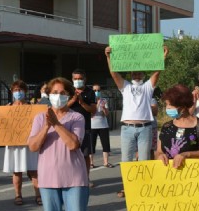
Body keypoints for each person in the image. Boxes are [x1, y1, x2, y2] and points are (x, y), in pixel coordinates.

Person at [28, 77, 90, 211]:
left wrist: (57, 124)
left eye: (62, 93)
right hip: (47, 178)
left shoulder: (76, 118)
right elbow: (33, 146)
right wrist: (47, 126)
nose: (58, 96)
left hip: (74, 177)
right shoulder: (39, 118)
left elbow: (73, 144)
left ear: (70, 95)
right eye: (54, 92)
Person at [104, 45, 169, 197]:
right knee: (126, 160)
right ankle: (127, 187)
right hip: (127, 128)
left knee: (144, 160)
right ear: (131, 74)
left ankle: (143, 188)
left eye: (139, 73)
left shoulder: (148, 87)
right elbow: (113, 74)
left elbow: (157, 72)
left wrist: (163, 56)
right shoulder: (125, 87)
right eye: (134, 73)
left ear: (143, 74)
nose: (137, 75)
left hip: (145, 128)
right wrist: (108, 57)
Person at [2, 80, 40, 206]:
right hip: (14, 144)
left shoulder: (33, 108)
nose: (18, 92)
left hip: (30, 144)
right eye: (16, 90)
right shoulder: (7, 108)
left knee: (34, 170)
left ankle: (38, 195)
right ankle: (18, 195)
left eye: (21, 90)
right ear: (12, 92)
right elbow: (0, 126)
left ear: (25, 91)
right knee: (17, 171)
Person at [68, 69, 96, 183]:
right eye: (75, 79)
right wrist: (73, 99)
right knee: (69, 155)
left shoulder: (90, 92)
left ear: (85, 79)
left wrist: (82, 102)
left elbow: (93, 110)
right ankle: (71, 179)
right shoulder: (68, 91)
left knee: (85, 155)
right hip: (69, 128)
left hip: (85, 128)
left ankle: (86, 178)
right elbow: (62, 107)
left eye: (80, 79)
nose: (78, 81)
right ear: (72, 79)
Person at [89, 84, 113, 168]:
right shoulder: (90, 101)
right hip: (92, 126)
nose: (97, 92)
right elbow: (91, 114)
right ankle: (91, 162)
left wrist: (103, 108)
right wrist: (97, 104)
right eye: (95, 90)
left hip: (103, 125)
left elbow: (106, 114)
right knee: (92, 145)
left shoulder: (104, 100)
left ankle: (106, 162)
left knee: (105, 144)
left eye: (98, 90)